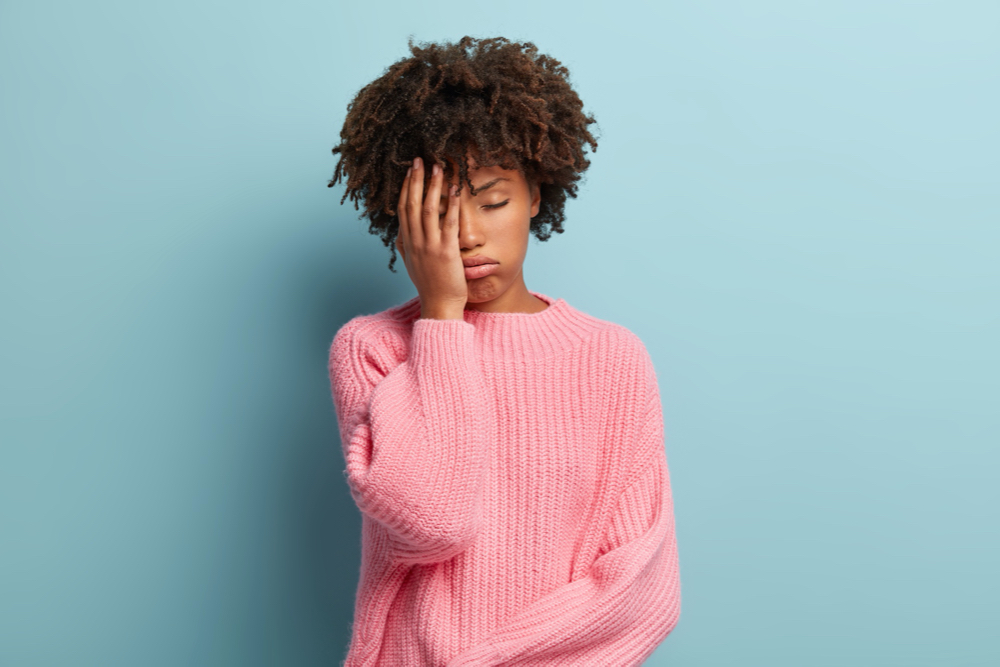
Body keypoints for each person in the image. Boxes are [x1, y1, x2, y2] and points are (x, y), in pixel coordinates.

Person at [327, 35, 681, 666]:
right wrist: (439, 316)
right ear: (401, 218)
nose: (467, 234)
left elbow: (642, 588)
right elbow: (429, 521)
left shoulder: (612, 359)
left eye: (493, 201)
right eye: (438, 212)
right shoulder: (373, 348)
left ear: (537, 195)